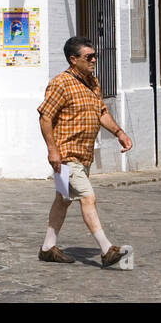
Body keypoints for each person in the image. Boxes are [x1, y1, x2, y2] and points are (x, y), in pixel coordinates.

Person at [37, 36, 134, 268]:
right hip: (66, 156)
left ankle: (48, 248)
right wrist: (52, 150)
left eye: (94, 56)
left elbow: (101, 112)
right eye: (88, 57)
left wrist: (119, 132)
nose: (94, 60)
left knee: (63, 200)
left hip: (83, 155)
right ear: (73, 59)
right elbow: (45, 116)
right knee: (88, 197)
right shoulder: (60, 83)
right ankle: (106, 249)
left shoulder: (93, 82)